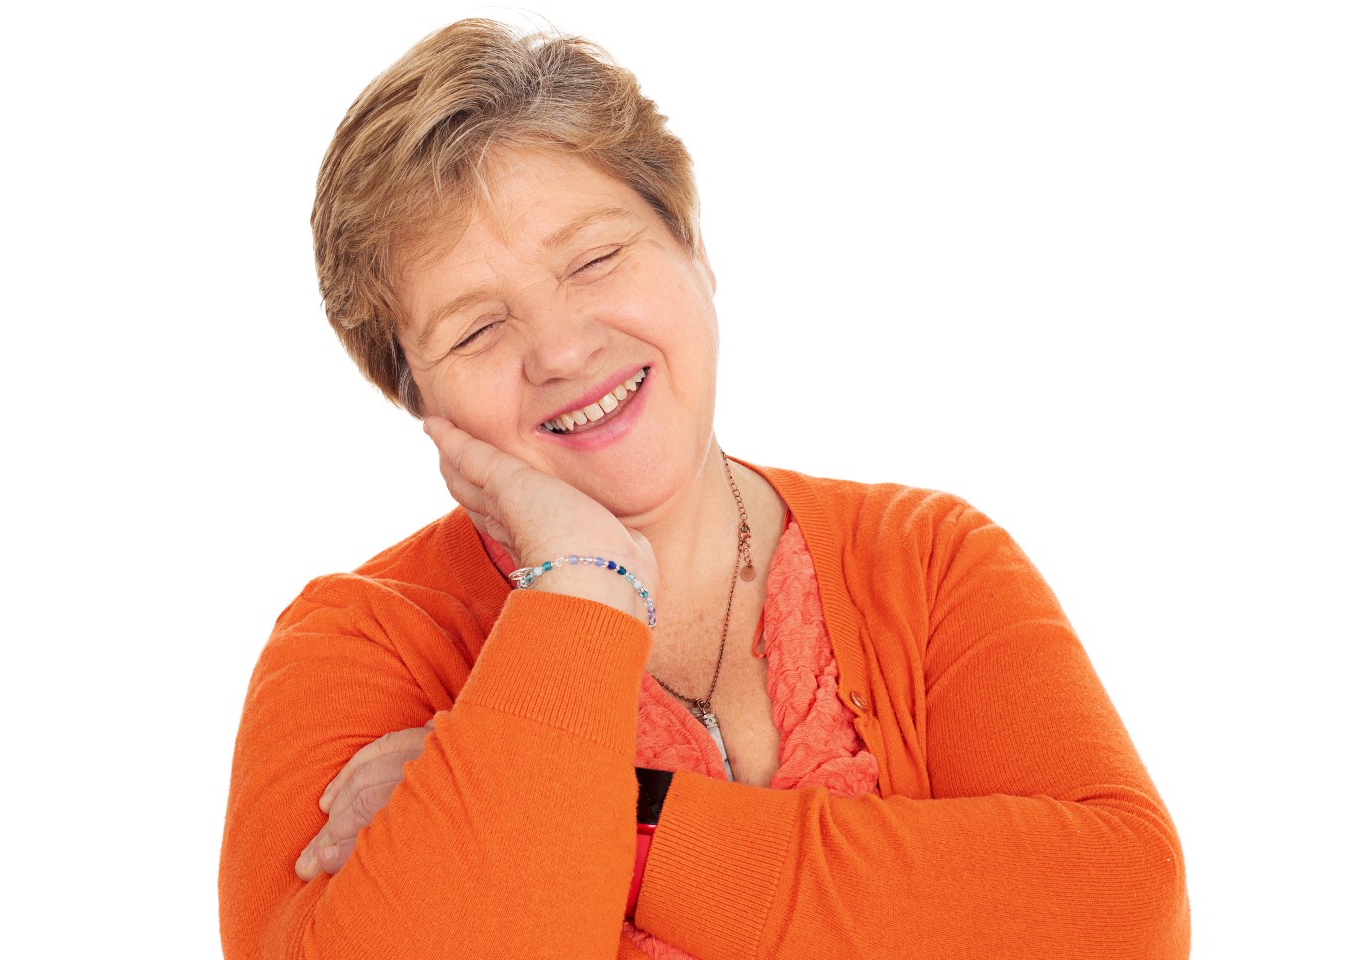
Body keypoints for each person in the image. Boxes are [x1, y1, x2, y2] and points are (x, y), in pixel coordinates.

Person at [219, 18, 1189, 959]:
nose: (562, 349)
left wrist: (625, 815)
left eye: (595, 258)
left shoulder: (925, 558)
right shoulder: (356, 648)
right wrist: (580, 586)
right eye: (477, 329)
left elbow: (1125, 915)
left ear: (693, 247)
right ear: (416, 395)